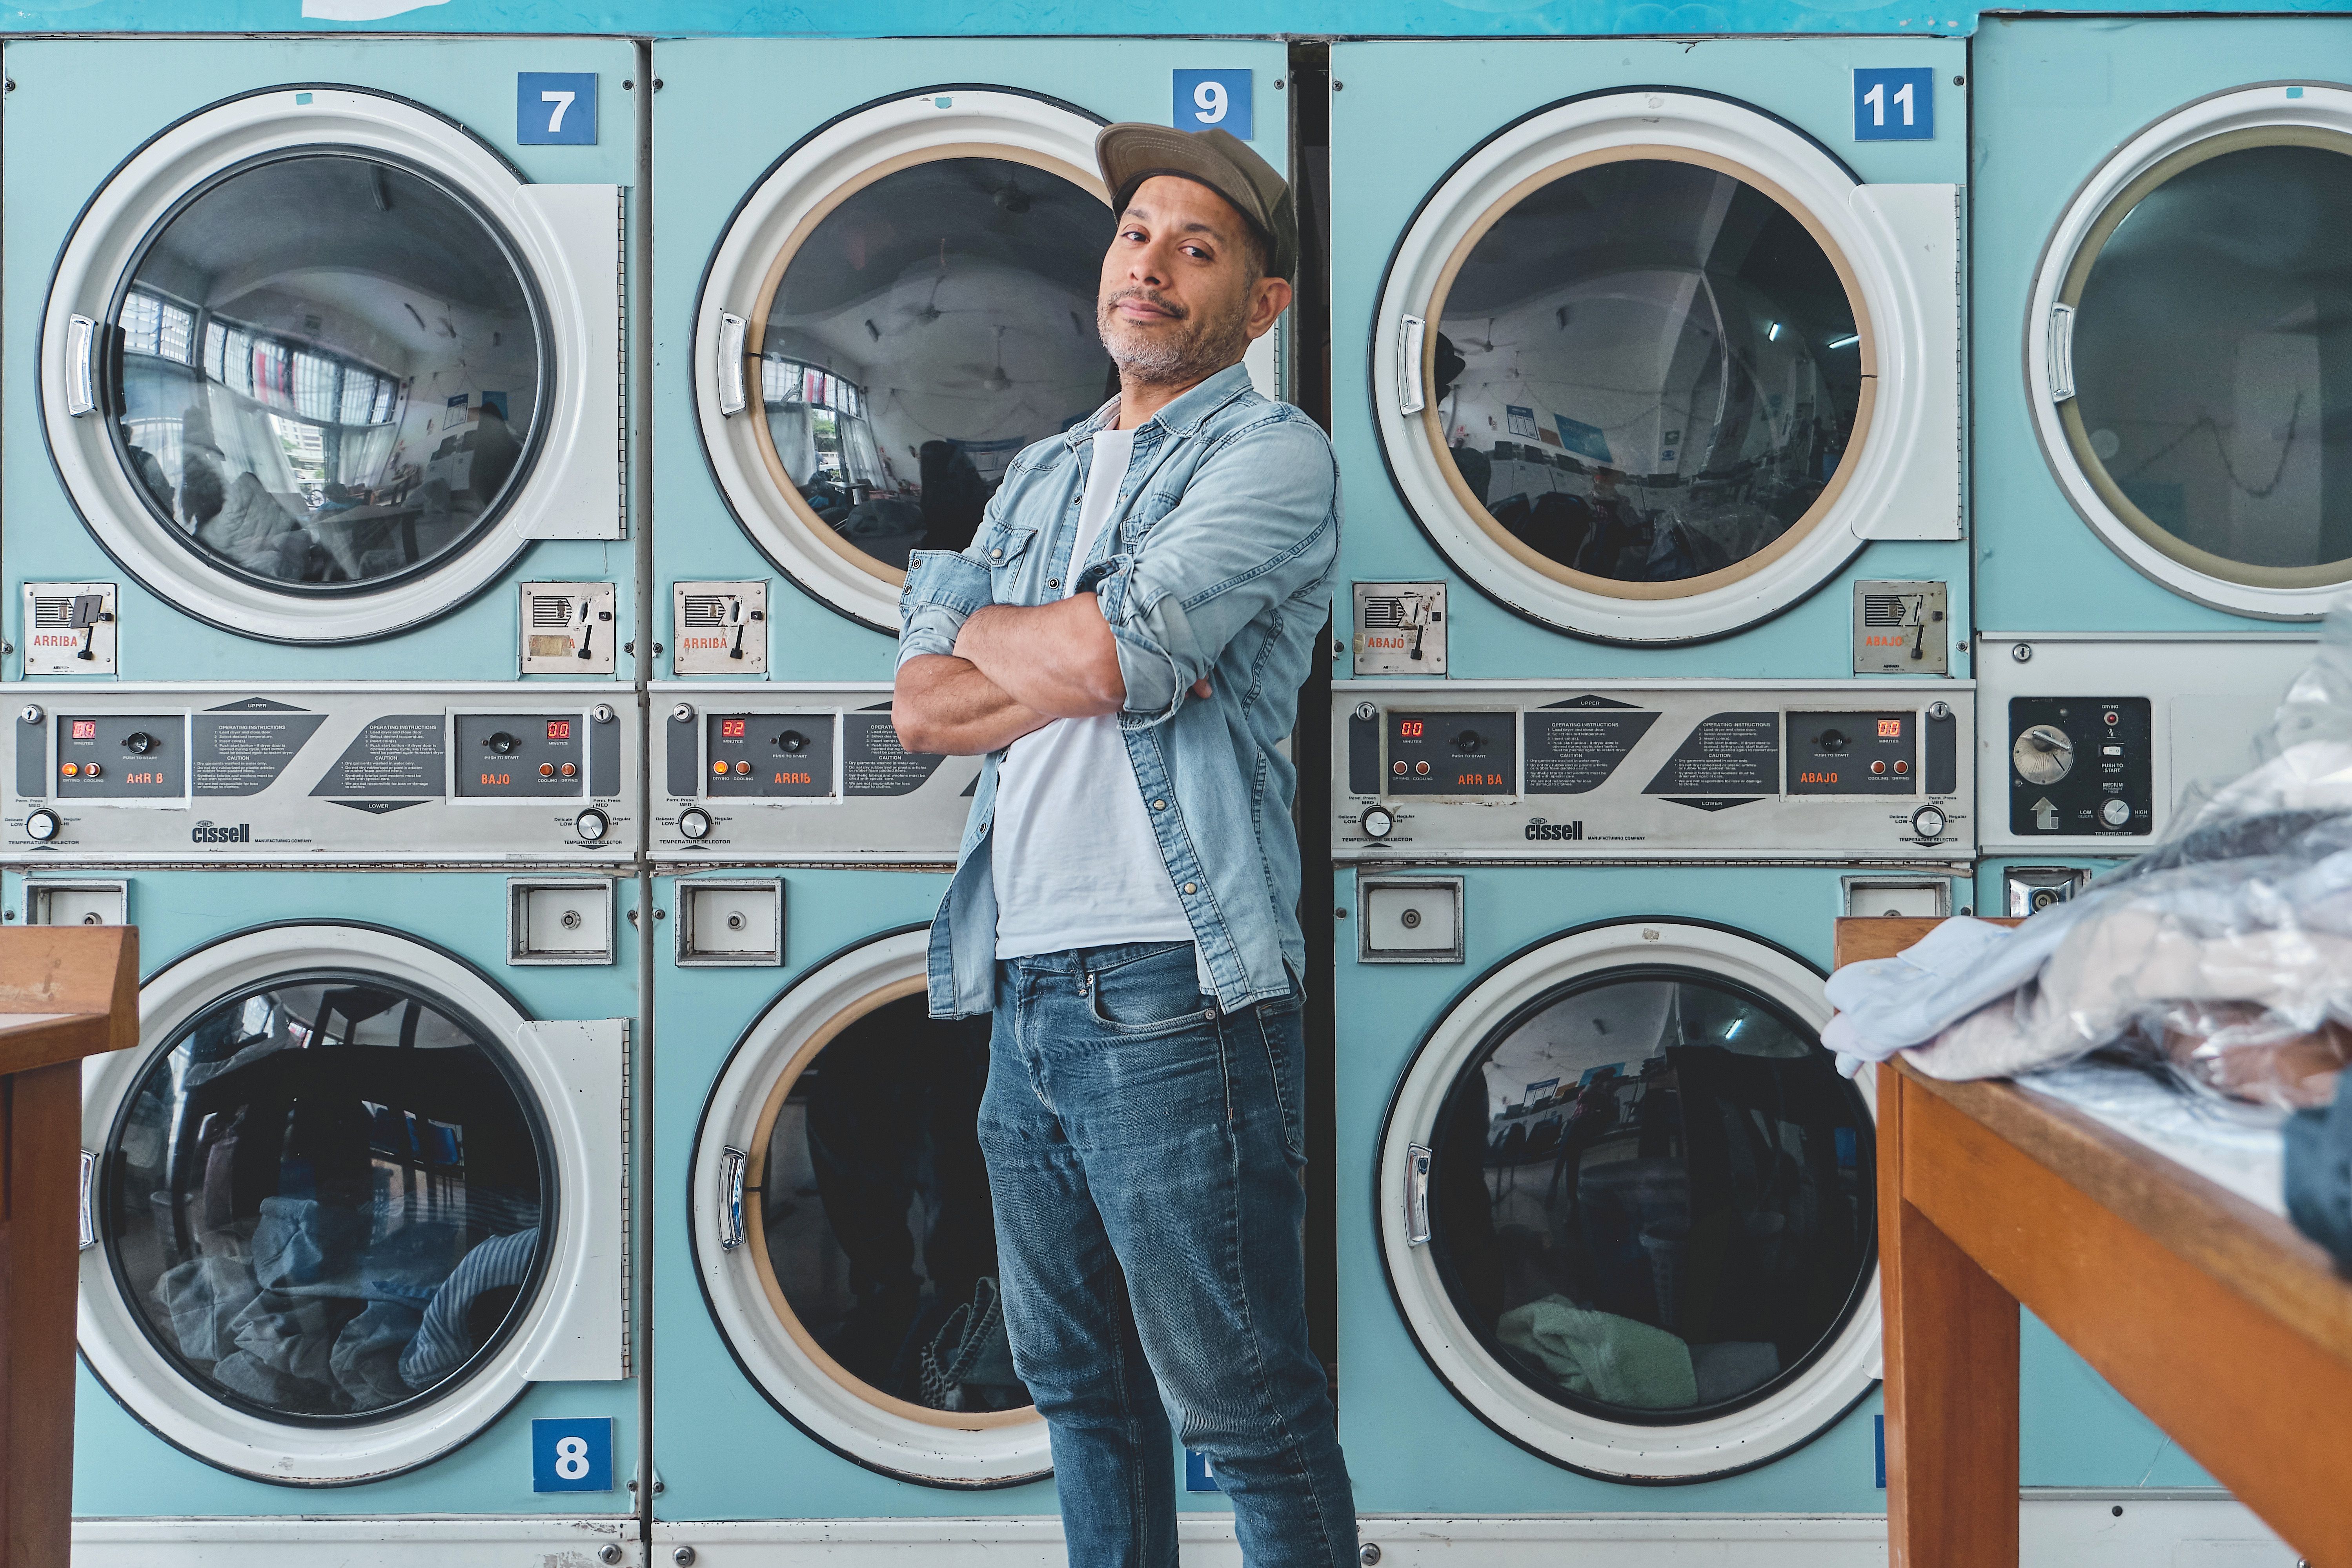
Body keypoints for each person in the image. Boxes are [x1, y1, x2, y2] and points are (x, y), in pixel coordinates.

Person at [892, 124, 1355, 1568]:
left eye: (1195, 248)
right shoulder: (1035, 474)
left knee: (1246, 1410)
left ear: (1259, 306)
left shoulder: (1277, 458)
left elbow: (1106, 662)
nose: (1146, 264)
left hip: (1176, 985)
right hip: (1021, 978)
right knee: (1079, 1394)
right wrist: (1064, 646)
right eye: (1133, 234)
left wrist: (1021, 641)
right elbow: (919, 712)